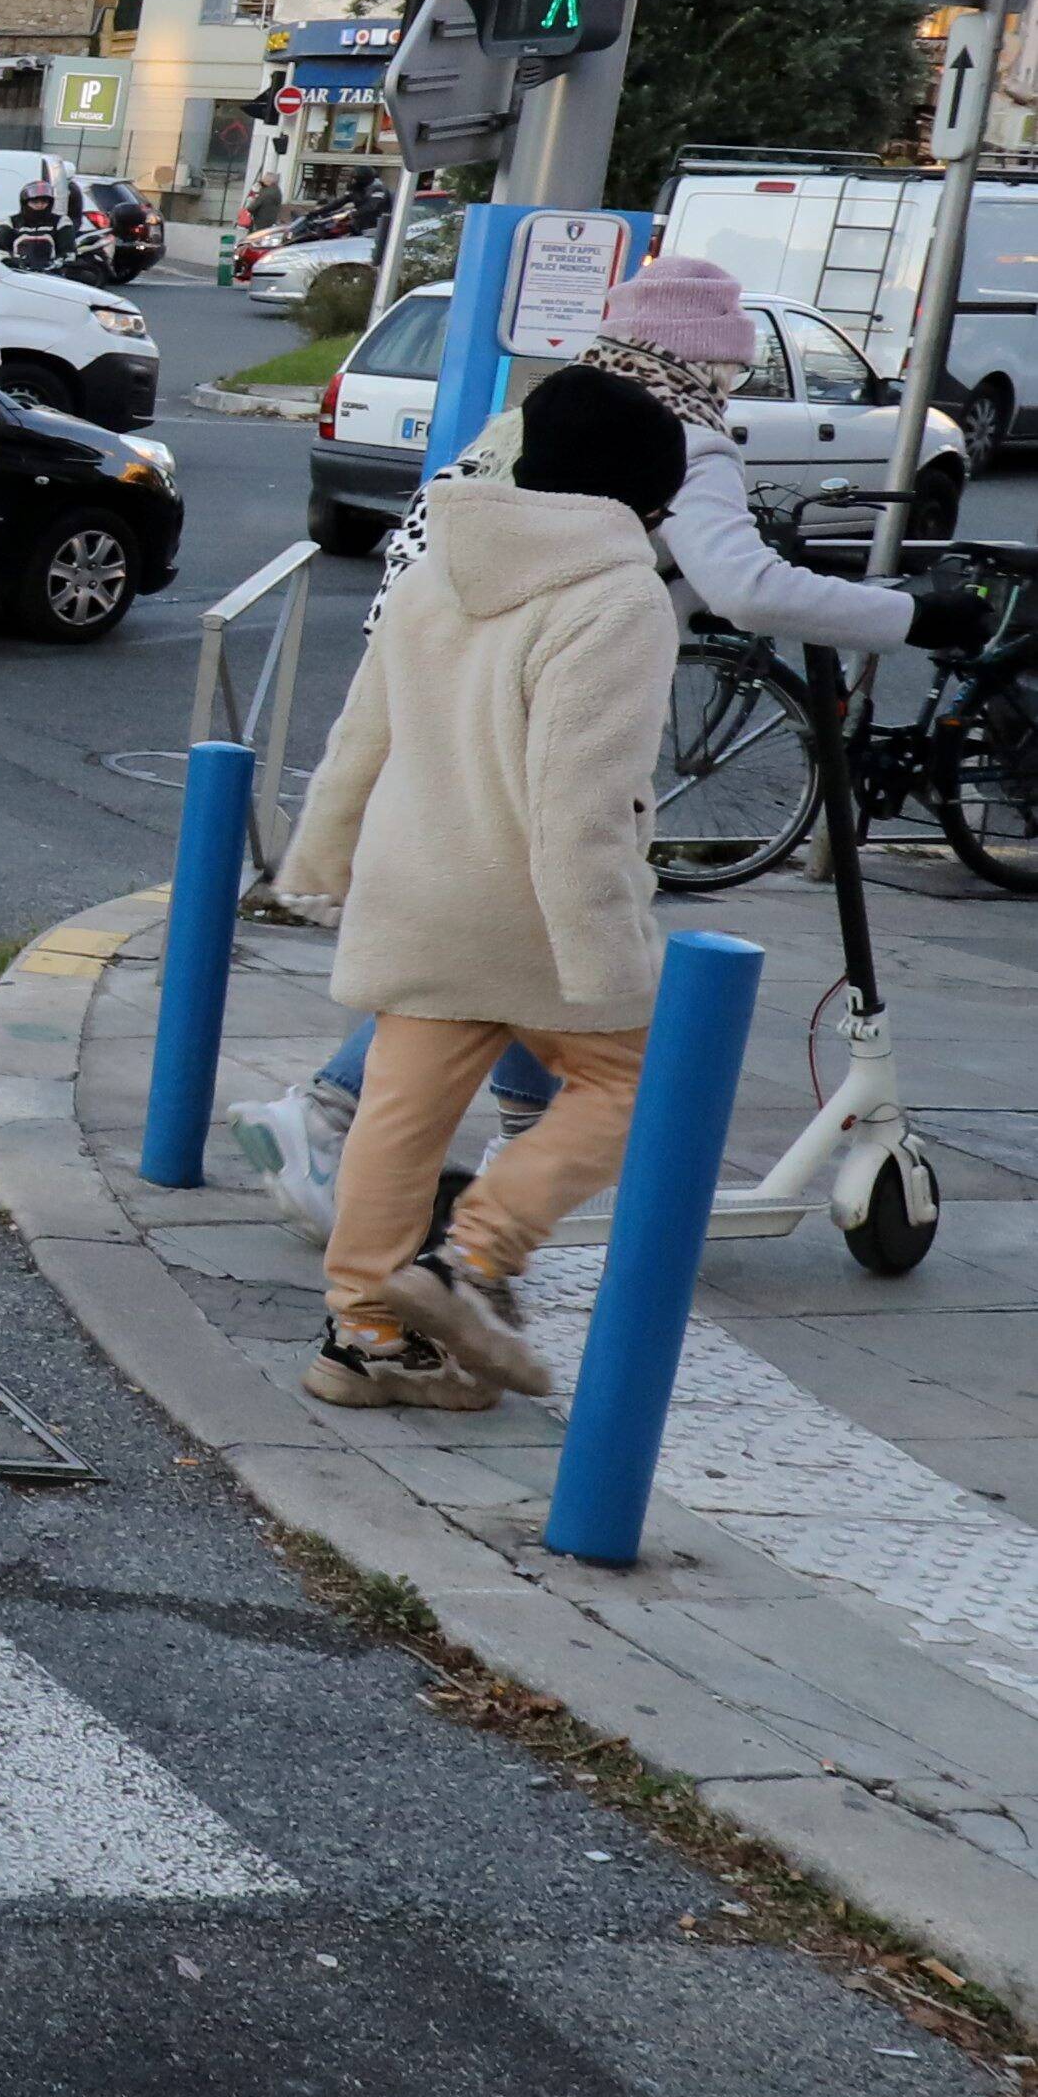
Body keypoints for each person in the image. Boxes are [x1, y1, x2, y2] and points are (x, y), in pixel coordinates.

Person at [244, 260, 949, 1220]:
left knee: (480, 907)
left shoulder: (553, 407)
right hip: (545, 666)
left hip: (432, 637)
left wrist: (318, 862)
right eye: (730, 367)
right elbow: (740, 584)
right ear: (696, 359)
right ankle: (347, 1119)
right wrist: (907, 615)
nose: (731, 386)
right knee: (524, 919)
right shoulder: (679, 437)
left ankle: (440, 1144)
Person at [272, 367, 700, 1412]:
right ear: (636, 497)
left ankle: (364, 1335)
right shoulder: (616, 597)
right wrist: (608, 966)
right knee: (635, 1087)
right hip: (531, 914)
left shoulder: (433, 573)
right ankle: (475, 1257)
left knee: (396, 1116)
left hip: (413, 892)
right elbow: (580, 805)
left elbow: (359, 741)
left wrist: (316, 863)